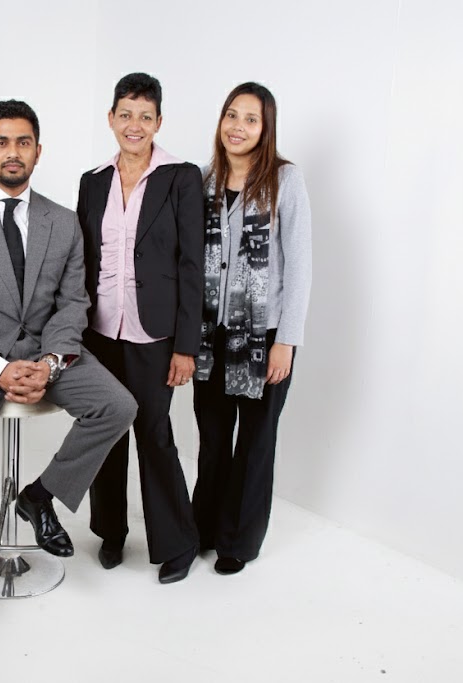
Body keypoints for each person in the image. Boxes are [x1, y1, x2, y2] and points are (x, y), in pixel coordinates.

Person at [0, 100, 137, 653]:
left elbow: (73, 303)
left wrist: (50, 363)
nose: (12, 152)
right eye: (1, 142)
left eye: (22, 142)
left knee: (118, 406)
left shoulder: (62, 222)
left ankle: (39, 496)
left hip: (45, 355)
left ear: (38, 151)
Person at [76, 73, 204, 583]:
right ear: (111, 118)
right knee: (107, 432)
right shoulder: (92, 181)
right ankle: (110, 532)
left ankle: (177, 542)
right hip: (99, 333)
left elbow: (193, 265)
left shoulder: (181, 178)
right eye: (126, 114)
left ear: (158, 122)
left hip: (155, 335)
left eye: (145, 117)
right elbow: (82, 262)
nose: (135, 125)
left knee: (154, 434)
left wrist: (187, 346)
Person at [191, 82, 312, 575]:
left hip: (265, 337)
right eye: (231, 115)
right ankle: (203, 528)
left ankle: (238, 541)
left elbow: (299, 264)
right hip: (212, 335)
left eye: (250, 119)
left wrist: (287, 341)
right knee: (213, 438)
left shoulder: (285, 179)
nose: (238, 127)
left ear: (266, 128)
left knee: (256, 442)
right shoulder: (203, 181)